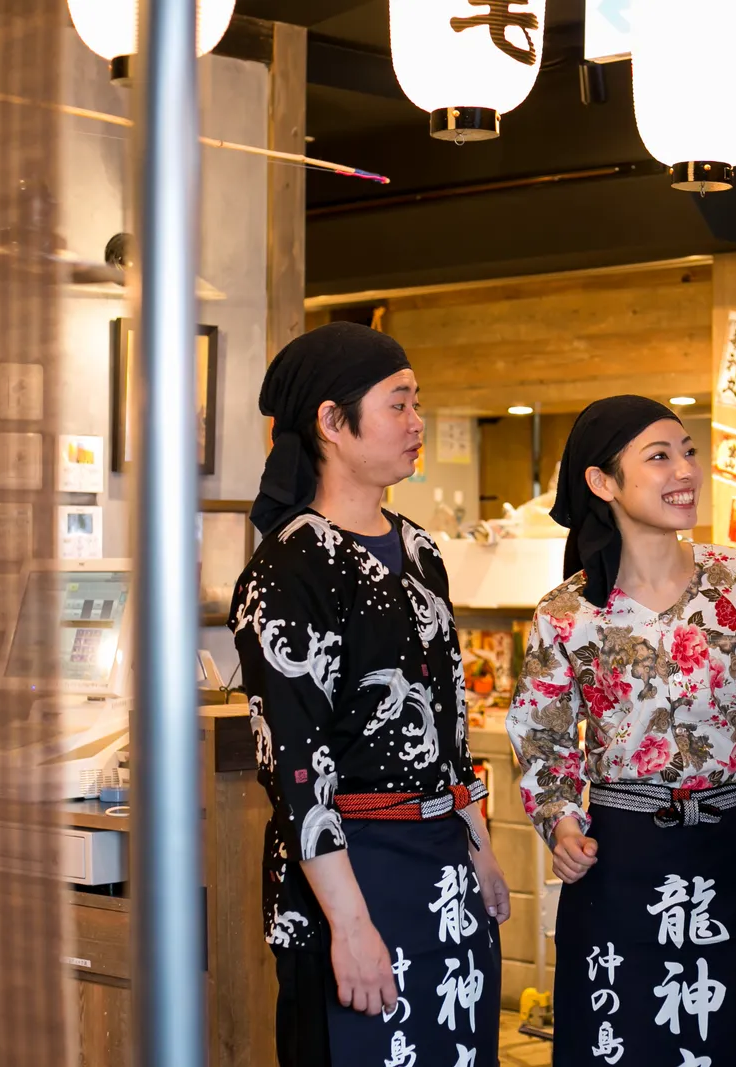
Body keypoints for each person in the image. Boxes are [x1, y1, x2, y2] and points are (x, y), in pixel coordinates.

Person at [231, 322, 509, 1067]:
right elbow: (295, 767)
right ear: (331, 421)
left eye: (417, 401)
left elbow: (448, 720)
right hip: (347, 876)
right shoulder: (287, 569)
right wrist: (349, 925)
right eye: (398, 403)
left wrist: (479, 842)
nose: (418, 423)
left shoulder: (421, 548)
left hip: (442, 863)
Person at [506, 395, 736, 1067]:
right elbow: (543, 738)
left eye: (688, 451)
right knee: (627, 1042)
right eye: (659, 456)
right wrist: (559, 823)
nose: (685, 471)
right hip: (623, 859)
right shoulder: (566, 613)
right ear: (602, 481)